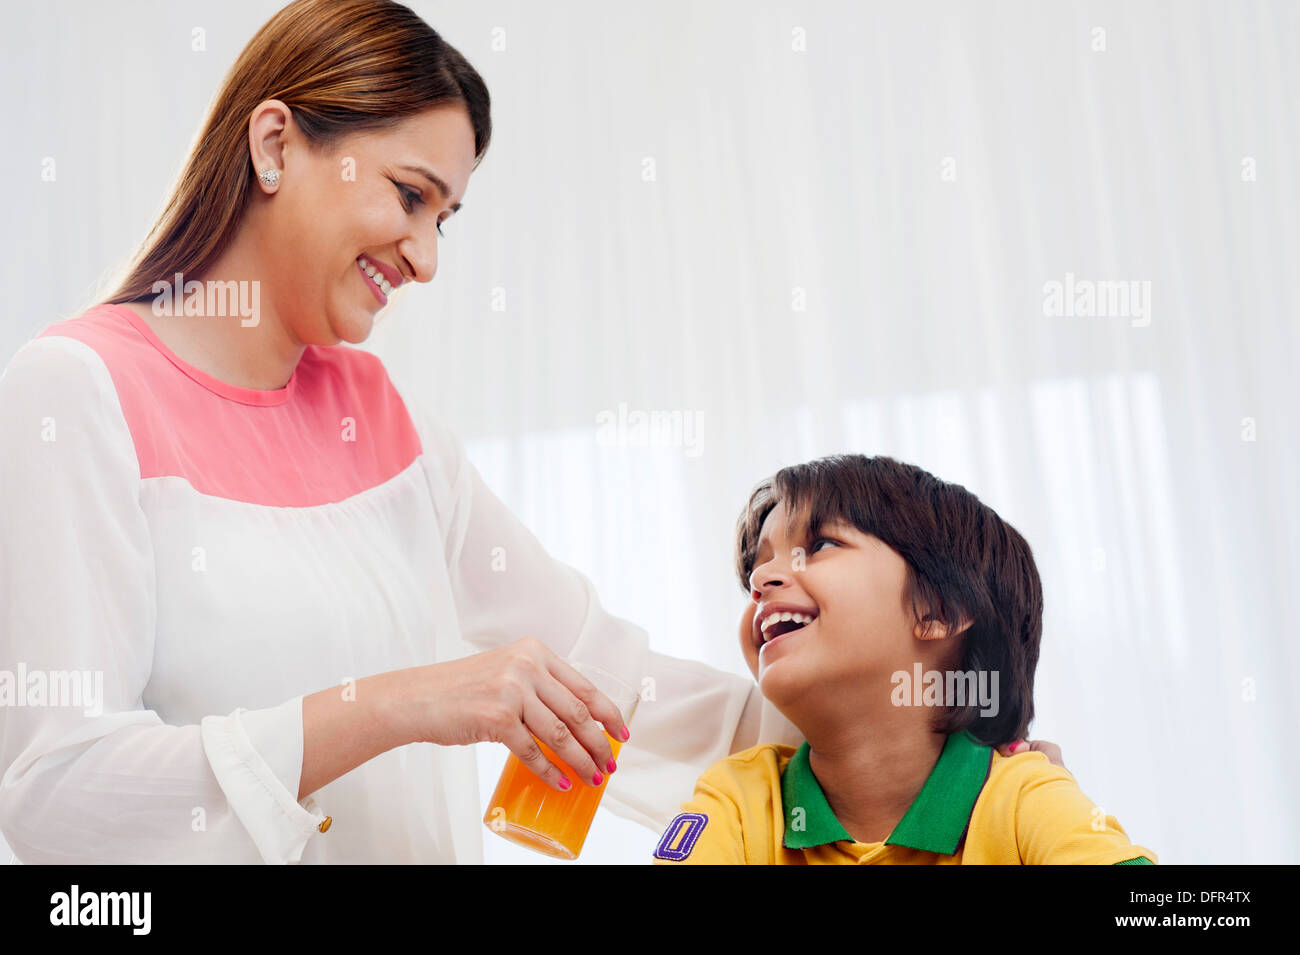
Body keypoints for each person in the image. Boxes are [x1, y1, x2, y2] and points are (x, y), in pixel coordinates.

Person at [0, 0, 1054, 864]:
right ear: (276, 142)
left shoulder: (389, 425)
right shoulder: (76, 392)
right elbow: (55, 792)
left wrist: (933, 760)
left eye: (444, 218)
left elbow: (604, 690)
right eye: (410, 197)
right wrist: (402, 702)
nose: (424, 258)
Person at [653, 455, 1156, 864]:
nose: (762, 580)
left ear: (939, 609)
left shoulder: (1021, 794)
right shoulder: (738, 800)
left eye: (820, 545)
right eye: (759, 566)